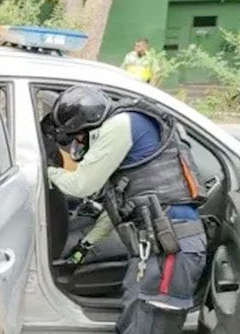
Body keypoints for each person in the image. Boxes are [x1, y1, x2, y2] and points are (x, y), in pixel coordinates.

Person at [47, 86, 207, 333]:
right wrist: (83, 247)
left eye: (77, 136)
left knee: (149, 323)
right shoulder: (128, 128)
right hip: (157, 245)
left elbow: (81, 185)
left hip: (171, 247)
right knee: (134, 319)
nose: (77, 144)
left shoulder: (119, 126)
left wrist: (44, 169)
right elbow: (120, 209)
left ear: (89, 125)